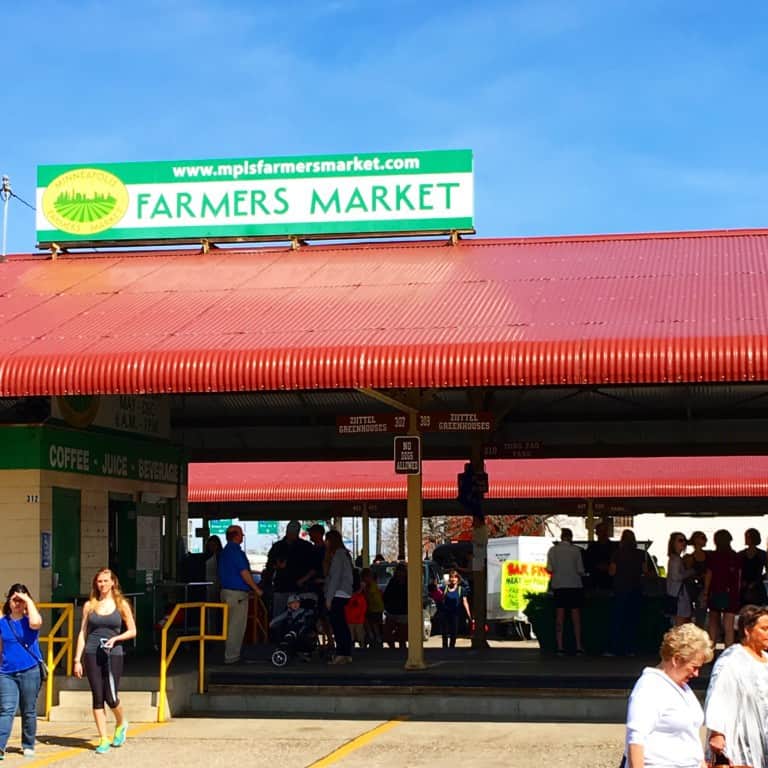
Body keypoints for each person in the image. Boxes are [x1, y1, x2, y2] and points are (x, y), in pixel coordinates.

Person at [623, 622, 713, 768]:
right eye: (694, 667)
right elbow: (635, 740)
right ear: (676, 659)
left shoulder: (681, 686)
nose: (697, 674)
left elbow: (690, 737)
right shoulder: (650, 687)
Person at [73, 569, 137, 755]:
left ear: (113, 583)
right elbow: (83, 633)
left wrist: (116, 639)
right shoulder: (89, 606)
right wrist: (78, 659)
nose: (102, 584)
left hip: (113, 654)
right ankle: (103, 738)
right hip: (92, 653)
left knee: (111, 695)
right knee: (97, 695)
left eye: (105, 581)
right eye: (99, 581)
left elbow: (132, 630)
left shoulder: (121, 605)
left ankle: (120, 722)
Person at [704, 604, 768, 767]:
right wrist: (717, 732)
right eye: (764, 629)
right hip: (741, 738)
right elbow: (718, 694)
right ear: (747, 630)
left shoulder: (766, 659)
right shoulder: (732, 659)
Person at [0, 584, 43, 759]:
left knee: (28, 710)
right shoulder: (2, 623)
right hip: (6, 672)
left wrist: (27, 600)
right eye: (14, 599)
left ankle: (28, 744)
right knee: (6, 709)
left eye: (21, 600)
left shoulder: (30, 620)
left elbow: (36, 622)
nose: (17, 603)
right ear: (8, 601)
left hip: (30, 670)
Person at [218, 525, 263, 665]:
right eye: (242, 534)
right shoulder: (236, 552)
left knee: (229, 624)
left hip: (225, 592)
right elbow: (244, 573)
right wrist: (256, 589)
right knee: (236, 626)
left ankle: (230, 654)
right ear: (236, 535)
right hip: (237, 595)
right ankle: (232, 657)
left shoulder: (224, 552)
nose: (243, 537)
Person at [607, 529, 648, 656]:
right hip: (636, 589)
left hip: (620, 589)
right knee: (632, 620)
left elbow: (612, 572)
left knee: (618, 620)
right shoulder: (641, 554)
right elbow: (645, 571)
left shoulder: (617, 554)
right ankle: (631, 649)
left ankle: (614, 649)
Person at [264, 520, 315, 619]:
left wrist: (303, 580)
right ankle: (278, 634)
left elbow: (313, 568)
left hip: (299, 589)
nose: (291, 534)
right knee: (279, 617)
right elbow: (269, 566)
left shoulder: (306, 547)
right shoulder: (277, 546)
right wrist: (277, 566)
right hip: (281, 587)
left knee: (298, 617)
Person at [546, 528, 586, 655]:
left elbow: (549, 569)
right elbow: (580, 570)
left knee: (560, 617)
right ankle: (579, 646)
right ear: (571, 537)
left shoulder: (553, 550)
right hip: (574, 586)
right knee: (576, 617)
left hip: (559, 586)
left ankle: (560, 646)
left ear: (561, 537)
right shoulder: (576, 551)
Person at [703, 529, 740, 648]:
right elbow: (739, 576)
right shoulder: (735, 556)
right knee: (728, 626)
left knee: (713, 623)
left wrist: (705, 591)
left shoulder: (712, 556)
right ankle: (728, 652)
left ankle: (711, 652)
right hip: (731, 592)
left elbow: (709, 574)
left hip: (715, 590)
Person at [324, 529, 354, 665]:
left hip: (338, 593)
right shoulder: (345, 554)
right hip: (345, 592)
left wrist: (328, 598)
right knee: (342, 624)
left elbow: (335, 577)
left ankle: (341, 653)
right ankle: (346, 653)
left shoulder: (337, 555)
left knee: (338, 625)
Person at [666, 532, 694, 626]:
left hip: (677, 594)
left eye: (684, 541)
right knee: (679, 623)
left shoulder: (676, 558)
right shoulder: (675, 559)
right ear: (673, 543)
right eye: (680, 540)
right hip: (678, 595)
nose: (683, 543)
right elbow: (675, 577)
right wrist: (689, 572)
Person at [439, 570, 471, 649]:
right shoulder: (444, 588)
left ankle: (452, 646)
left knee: (454, 631)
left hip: (455, 614)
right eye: (451, 577)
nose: (453, 579)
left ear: (458, 579)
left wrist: (469, 616)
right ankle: (445, 647)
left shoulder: (461, 589)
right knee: (445, 631)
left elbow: (465, 602)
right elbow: (438, 596)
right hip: (445, 613)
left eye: (455, 577)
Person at [683, 531, 709, 627]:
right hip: (692, 587)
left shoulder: (708, 555)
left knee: (701, 614)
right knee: (688, 612)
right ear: (696, 540)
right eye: (703, 537)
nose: (705, 539)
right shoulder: (689, 557)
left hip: (704, 588)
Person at [584, 521, 618, 590]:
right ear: (597, 533)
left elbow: (619, 564)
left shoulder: (615, 547)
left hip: (611, 582)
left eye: (604, 531)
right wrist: (596, 566)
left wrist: (609, 567)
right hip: (595, 581)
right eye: (601, 531)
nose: (603, 533)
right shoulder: (591, 548)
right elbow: (586, 564)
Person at [739, 528, 767, 607]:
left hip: (757, 587)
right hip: (744, 587)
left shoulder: (762, 554)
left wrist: (759, 579)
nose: (745, 539)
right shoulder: (741, 554)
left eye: (748, 537)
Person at [383, 563, 409, 648]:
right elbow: (386, 595)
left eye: (402, 571)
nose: (401, 573)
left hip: (403, 612)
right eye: (399, 571)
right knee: (387, 633)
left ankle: (402, 650)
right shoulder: (393, 581)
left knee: (403, 636)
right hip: (392, 611)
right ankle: (393, 648)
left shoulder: (408, 583)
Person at [361, 568, 384, 648]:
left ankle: (376, 637)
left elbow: (369, 596)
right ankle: (374, 636)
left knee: (375, 623)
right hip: (372, 607)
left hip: (376, 608)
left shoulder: (372, 586)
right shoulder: (371, 585)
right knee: (370, 622)